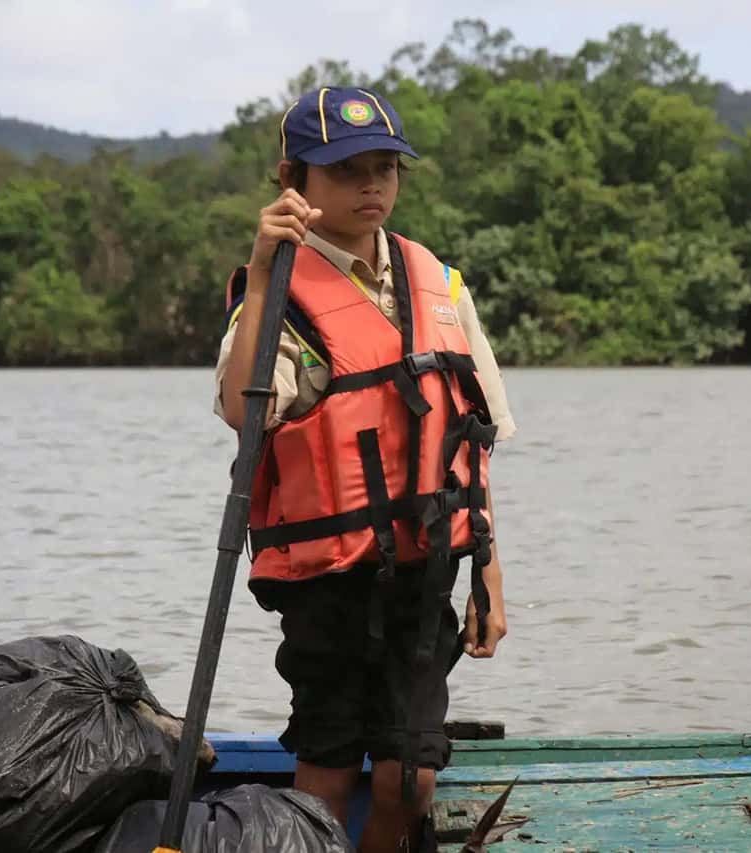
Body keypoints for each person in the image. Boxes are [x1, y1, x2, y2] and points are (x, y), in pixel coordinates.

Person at [214, 86, 516, 853]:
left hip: (426, 573)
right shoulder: (279, 291)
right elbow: (238, 407)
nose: (372, 185)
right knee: (326, 765)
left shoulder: (438, 284)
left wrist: (489, 574)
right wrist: (258, 273)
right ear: (294, 179)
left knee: (408, 776)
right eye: (347, 170)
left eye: (386, 167)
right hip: (325, 584)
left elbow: (471, 442)